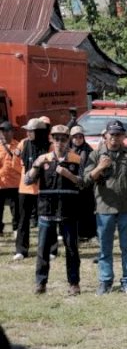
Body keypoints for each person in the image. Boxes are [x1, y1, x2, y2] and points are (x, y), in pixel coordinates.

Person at [84, 120, 127, 296]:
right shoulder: (96, 155)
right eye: (112, 134)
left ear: (124, 136)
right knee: (105, 247)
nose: (115, 138)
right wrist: (101, 167)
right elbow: (86, 180)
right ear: (105, 135)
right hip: (105, 208)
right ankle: (105, 281)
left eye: (119, 134)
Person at [25, 125, 83, 295]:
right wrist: (36, 165)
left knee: (72, 249)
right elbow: (28, 181)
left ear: (68, 140)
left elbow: (83, 183)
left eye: (63, 138)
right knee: (43, 249)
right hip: (47, 211)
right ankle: (40, 283)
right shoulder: (43, 158)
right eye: (56, 138)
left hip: (68, 211)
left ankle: (74, 283)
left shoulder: (76, 159)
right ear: (52, 139)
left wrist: (68, 175)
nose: (60, 142)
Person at [14, 118, 50, 261]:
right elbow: (15, 163)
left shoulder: (49, 146)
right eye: (27, 130)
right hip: (25, 188)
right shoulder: (23, 143)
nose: (28, 133)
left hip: (43, 188)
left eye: (31, 131)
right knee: (23, 220)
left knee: (47, 219)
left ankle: (50, 249)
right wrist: (26, 173)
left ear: (39, 132)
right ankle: (21, 250)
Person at [69, 126, 97, 241]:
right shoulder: (67, 149)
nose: (78, 139)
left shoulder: (89, 150)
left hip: (86, 185)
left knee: (88, 209)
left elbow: (91, 166)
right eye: (75, 137)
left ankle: (90, 234)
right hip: (70, 184)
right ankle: (77, 233)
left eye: (80, 136)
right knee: (73, 210)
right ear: (71, 138)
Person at [0, 121, 20, 236]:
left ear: (12, 132)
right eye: (2, 131)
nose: (4, 133)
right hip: (1, 183)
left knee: (16, 209)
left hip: (14, 183)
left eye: (7, 130)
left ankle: (16, 229)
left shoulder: (18, 146)